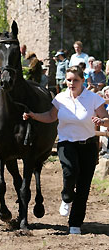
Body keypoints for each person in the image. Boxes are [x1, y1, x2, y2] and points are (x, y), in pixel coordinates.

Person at [23, 65, 109, 234]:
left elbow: (107, 120)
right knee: (70, 171)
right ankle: (66, 196)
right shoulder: (60, 99)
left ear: (83, 80)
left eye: (75, 80)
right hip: (67, 143)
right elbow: (50, 116)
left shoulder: (93, 98)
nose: (71, 83)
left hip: (88, 145)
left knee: (84, 186)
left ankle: (75, 223)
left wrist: (101, 121)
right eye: (69, 80)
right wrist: (33, 115)